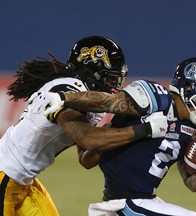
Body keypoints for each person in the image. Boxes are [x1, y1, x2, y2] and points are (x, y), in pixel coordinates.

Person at [33, 57, 196, 216]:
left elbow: (191, 183)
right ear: (188, 86)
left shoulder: (194, 129)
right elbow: (106, 102)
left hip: (141, 203)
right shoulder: (155, 99)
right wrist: (63, 98)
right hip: (124, 203)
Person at [0, 36, 168, 216]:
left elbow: (86, 160)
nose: (114, 85)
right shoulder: (65, 89)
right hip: (5, 175)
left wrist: (113, 130)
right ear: (91, 73)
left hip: (23, 182)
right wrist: (145, 130)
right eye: (110, 78)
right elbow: (90, 140)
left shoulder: (87, 101)